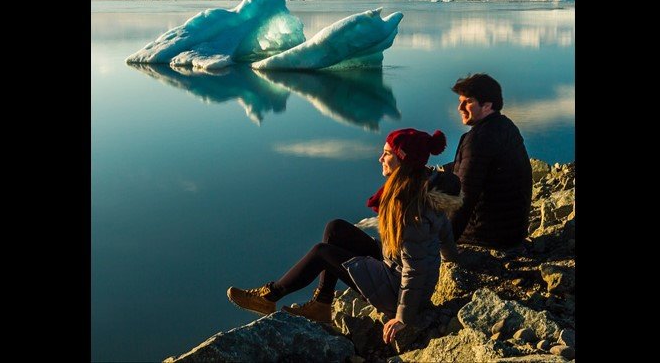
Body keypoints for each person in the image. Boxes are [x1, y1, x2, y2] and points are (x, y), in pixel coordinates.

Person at [227, 128, 462, 344]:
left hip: (396, 291)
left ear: (403, 160)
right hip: (393, 268)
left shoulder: (409, 209)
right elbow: (444, 232)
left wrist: (402, 317)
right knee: (335, 229)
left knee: (322, 252)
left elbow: (415, 270)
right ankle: (322, 303)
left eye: (387, 153)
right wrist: (453, 259)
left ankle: (269, 296)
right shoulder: (426, 186)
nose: (381, 158)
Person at [442, 73, 533, 249]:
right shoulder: (505, 126)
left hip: (486, 236)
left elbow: (463, 199)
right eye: (460, 101)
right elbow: (480, 168)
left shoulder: (479, 139)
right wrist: (443, 171)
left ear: (487, 105)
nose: (460, 107)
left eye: (467, 102)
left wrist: (445, 244)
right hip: (511, 231)